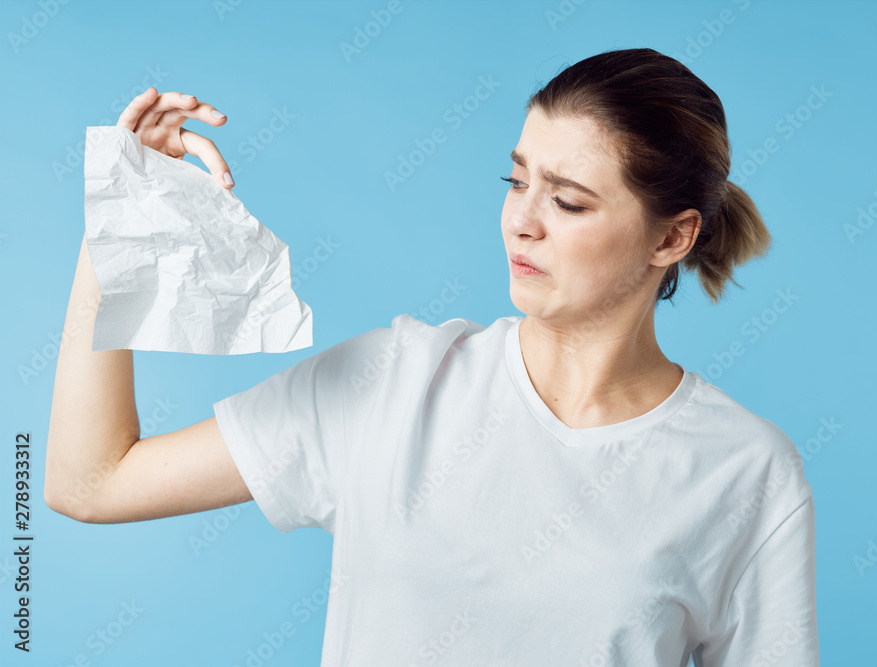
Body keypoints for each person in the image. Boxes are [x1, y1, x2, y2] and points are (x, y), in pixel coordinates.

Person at [45, 47, 819, 666]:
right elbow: (90, 480)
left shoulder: (746, 471)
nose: (522, 220)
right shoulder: (393, 382)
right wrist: (121, 221)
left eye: (569, 200)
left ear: (672, 237)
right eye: (517, 181)